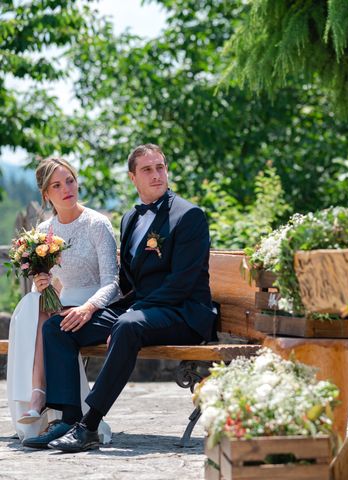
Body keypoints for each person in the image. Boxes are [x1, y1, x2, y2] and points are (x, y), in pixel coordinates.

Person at [22, 143, 218, 451]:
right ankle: (68, 418)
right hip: (140, 311)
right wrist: (88, 311)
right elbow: (126, 279)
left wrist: (125, 315)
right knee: (57, 326)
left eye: (160, 167)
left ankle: (89, 426)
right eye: (147, 170)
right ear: (132, 178)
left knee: (127, 326)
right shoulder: (130, 219)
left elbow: (183, 282)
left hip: (183, 313)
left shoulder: (188, 216)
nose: (156, 175)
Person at [7, 157, 118, 444]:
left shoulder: (97, 224)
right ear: (46, 194)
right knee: (33, 303)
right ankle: (37, 395)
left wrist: (88, 307)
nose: (66, 188)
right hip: (63, 304)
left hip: (97, 305)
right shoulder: (44, 232)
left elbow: (111, 283)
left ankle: (51, 406)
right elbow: (49, 283)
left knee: (50, 320)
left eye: (69, 180)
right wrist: (41, 282)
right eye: (56, 185)